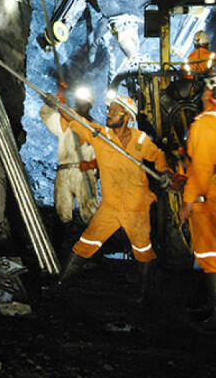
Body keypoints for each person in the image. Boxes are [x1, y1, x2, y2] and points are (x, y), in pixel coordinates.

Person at [48, 92, 170, 302]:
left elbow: (157, 155)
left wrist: (164, 170)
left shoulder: (141, 140)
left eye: (115, 111)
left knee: (143, 250)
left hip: (136, 207)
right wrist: (58, 105)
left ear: (127, 117)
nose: (109, 114)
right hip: (111, 207)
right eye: (109, 110)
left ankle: (143, 295)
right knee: (85, 244)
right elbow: (77, 121)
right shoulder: (100, 135)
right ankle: (60, 285)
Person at [177, 71, 216, 329]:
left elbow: (201, 168)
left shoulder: (203, 124)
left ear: (213, 95)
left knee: (211, 250)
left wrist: (189, 200)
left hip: (205, 192)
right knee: (208, 248)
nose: (202, 93)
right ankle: (212, 305)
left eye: (206, 90)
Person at [39, 86, 99, 227]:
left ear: (89, 105)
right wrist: (49, 105)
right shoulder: (66, 120)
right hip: (65, 170)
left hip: (86, 172)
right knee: (62, 212)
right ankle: (56, 247)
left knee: (90, 213)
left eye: (83, 102)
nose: (79, 104)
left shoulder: (96, 129)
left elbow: (102, 155)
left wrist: (97, 172)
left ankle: (91, 245)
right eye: (78, 101)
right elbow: (47, 117)